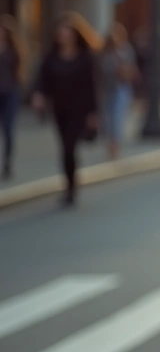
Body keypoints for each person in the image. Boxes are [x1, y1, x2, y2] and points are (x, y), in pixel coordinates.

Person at [31, 13, 100, 208]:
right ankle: (69, 184)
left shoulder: (85, 58)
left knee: (69, 146)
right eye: (60, 30)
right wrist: (39, 95)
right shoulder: (51, 58)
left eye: (67, 30)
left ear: (75, 34)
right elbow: (42, 80)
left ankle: (71, 189)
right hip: (60, 109)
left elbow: (91, 87)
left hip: (79, 110)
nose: (63, 34)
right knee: (64, 148)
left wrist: (93, 113)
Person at [97, 23, 140, 161]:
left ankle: (115, 146)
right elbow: (98, 74)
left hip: (120, 88)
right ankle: (109, 144)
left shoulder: (125, 51)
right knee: (106, 119)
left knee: (116, 117)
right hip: (106, 89)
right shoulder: (103, 53)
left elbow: (131, 71)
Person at [0, 16, 26, 179]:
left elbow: (19, 71)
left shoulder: (13, 50)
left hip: (10, 93)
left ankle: (7, 162)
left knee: (8, 129)